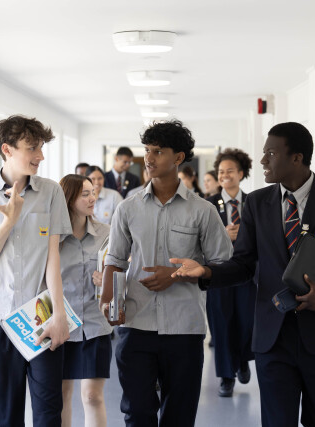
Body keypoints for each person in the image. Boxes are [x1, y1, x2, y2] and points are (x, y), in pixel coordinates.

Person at [171, 122, 315, 427]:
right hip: (273, 336)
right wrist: (206, 271)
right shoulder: (257, 203)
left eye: (271, 153)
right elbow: (243, 264)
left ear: (297, 157)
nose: (263, 160)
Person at [99, 120, 233, 427]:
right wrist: (107, 300)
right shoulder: (128, 208)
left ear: (178, 158)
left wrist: (176, 274)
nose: (149, 158)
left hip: (184, 328)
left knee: (179, 416)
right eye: (147, 150)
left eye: (158, 151)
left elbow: (223, 264)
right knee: (137, 412)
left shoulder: (203, 210)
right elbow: (115, 260)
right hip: (136, 324)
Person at [0, 115, 72, 427]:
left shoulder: (51, 192)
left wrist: (59, 314)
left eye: (41, 148)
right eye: (32, 148)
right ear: (7, 149)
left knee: (49, 412)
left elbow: (52, 259)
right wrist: (8, 222)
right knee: (8, 415)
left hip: (41, 315)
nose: (40, 156)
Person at [58, 174, 113, 427]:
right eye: (85, 194)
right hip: (61, 326)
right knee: (61, 395)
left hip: (95, 324)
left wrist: (108, 281)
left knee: (92, 396)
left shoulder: (106, 234)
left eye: (93, 193)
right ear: (68, 199)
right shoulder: (53, 237)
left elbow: (123, 275)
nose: (93, 198)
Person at [206, 148, 256, 397]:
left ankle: (243, 359)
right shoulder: (208, 204)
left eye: (230, 171)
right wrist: (222, 235)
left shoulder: (254, 202)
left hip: (247, 273)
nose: (225, 175)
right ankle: (226, 376)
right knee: (222, 324)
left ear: (241, 174)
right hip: (219, 273)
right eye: (221, 172)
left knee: (247, 322)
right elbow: (201, 239)